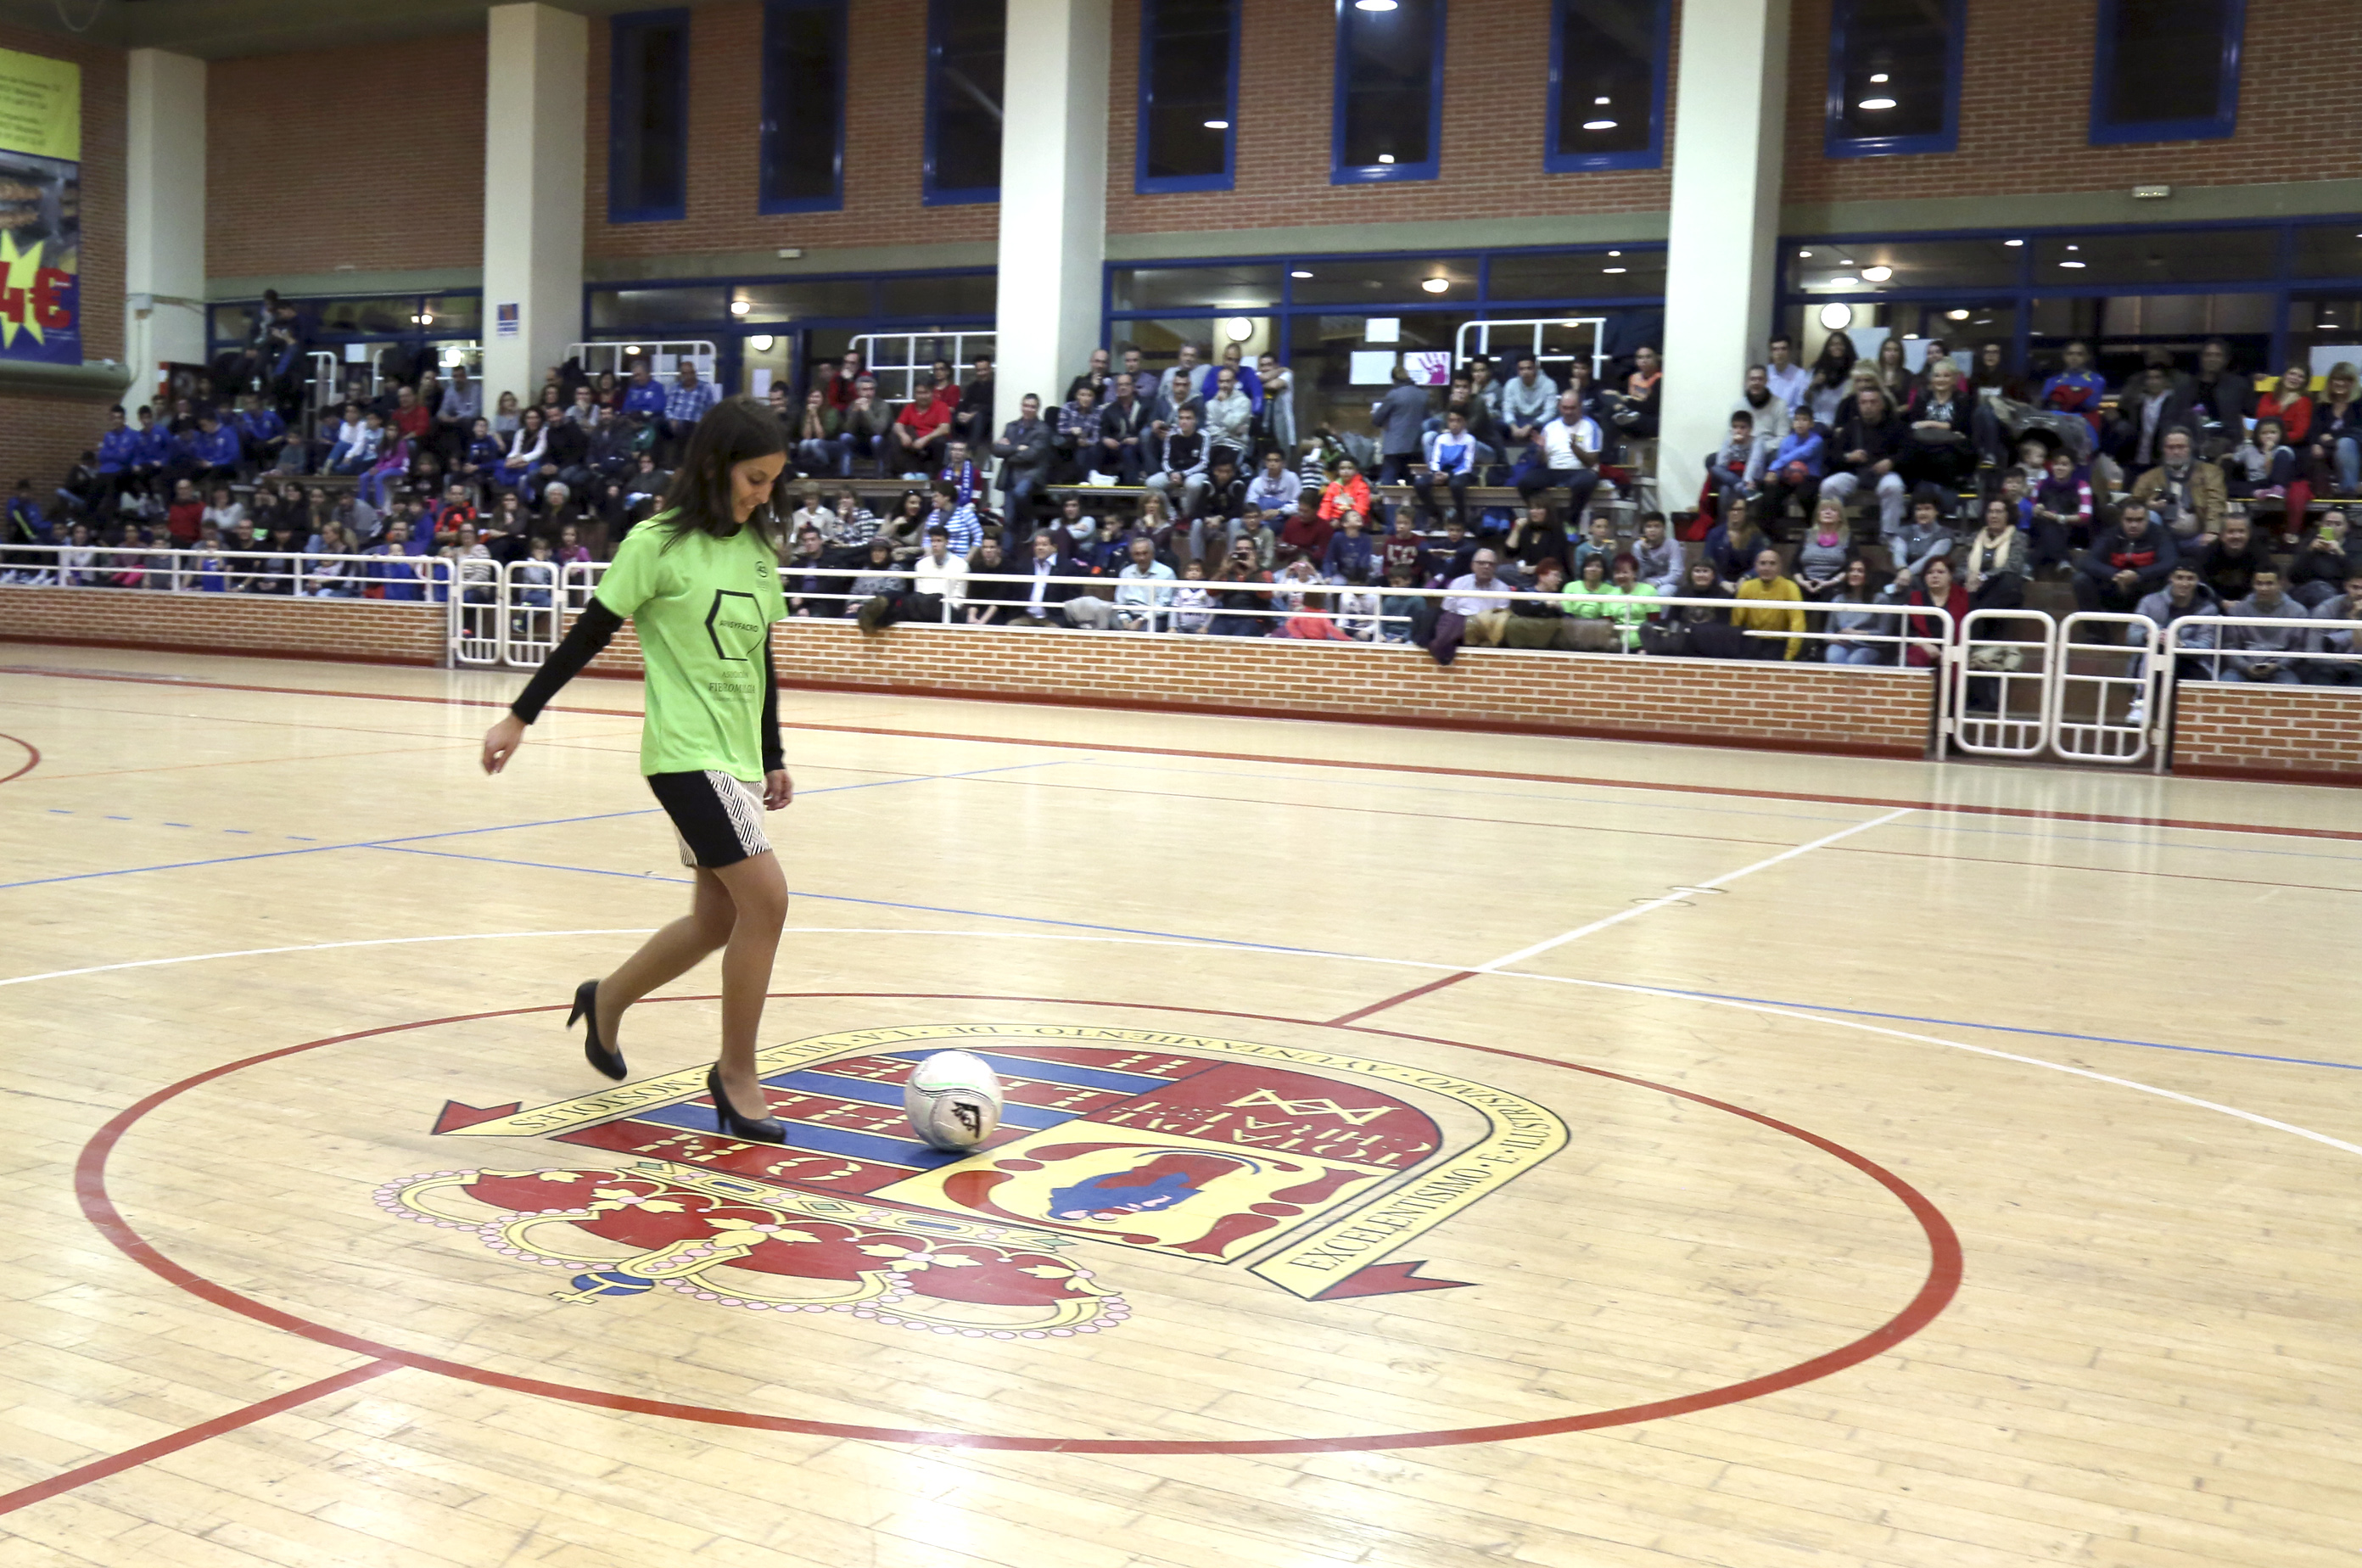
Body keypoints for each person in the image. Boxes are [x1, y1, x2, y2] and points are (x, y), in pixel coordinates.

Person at [479, 399, 794, 1142]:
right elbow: (587, 635)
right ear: (716, 467)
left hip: (738, 761)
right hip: (684, 757)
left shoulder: (757, 551)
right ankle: (735, 1073)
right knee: (768, 903)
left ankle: (607, 999)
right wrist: (519, 715)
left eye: (773, 481)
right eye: (754, 478)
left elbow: (762, 659)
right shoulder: (655, 544)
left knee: (717, 920)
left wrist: (773, 756)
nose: (764, 495)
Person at [1821, 384, 1909, 539]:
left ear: (1882, 404)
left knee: (1894, 487)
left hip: (1885, 474)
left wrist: (1891, 461)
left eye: (1873, 402)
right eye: (1864, 402)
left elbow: (1910, 453)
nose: (1868, 406)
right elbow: (1832, 456)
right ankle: (1834, 535)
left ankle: (1888, 536)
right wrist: (1848, 457)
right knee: (1829, 486)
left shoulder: (1897, 426)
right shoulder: (1850, 427)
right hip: (1855, 473)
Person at [2074, 501, 2177, 616]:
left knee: (2170, 578)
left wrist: (2138, 575)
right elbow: (2088, 561)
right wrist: (2116, 575)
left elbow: (2169, 562)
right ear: (2121, 520)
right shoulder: (2110, 534)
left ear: (2147, 520)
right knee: (2081, 579)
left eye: (2139, 520)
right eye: (2129, 520)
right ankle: (2095, 626)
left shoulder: (2160, 534)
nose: (2133, 525)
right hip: (2113, 587)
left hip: (2146, 588)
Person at [2130, 428, 2226, 544]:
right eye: (2170, 447)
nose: (2176, 452)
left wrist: (2212, 531)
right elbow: (2131, 504)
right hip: (2162, 538)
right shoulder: (2149, 477)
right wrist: (2149, 506)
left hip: (2199, 536)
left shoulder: (2211, 472)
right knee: (2150, 515)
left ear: (2190, 449)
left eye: (2181, 447)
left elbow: (2216, 503)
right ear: (2164, 449)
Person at [1517, 389, 1602, 514]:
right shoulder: (1550, 427)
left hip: (1579, 471)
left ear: (1580, 407)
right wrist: (1542, 449)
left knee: (1586, 481)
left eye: (1572, 408)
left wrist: (1575, 449)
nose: (1568, 412)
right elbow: (1542, 462)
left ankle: (1572, 519)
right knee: (1526, 482)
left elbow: (1593, 462)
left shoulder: (1591, 426)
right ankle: (1547, 515)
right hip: (1553, 471)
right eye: (1565, 408)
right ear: (1559, 407)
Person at [2220, 568, 2309, 683]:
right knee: (2223, 685)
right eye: (2259, 584)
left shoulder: (2298, 611)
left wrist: (2278, 665)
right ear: (2253, 585)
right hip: (2242, 669)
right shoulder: (2237, 610)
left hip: (2281, 670)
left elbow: (2298, 649)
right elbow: (2230, 646)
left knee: (2291, 688)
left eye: (2269, 584)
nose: (2264, 588)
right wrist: (2245, 667)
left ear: (2280, 584)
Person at [1731, 547, 1805, 659]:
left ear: (1780, 567)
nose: (1767, 568)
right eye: (1763, 563)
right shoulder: (1746, 587)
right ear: (1756, 566)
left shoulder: (1790, 587)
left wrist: (1790, 655)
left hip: (1778, 642)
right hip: (1751, 640)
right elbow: (1736, 622)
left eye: (1772, 564)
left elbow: (1797, 623)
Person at [992, 392, 1055, 525]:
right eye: (1026, 405)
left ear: (1037, 409)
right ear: (1021, 406)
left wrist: (1008, 452)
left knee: (1020, 494)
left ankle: (1031, 520)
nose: (1028, 409)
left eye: (1032, 407)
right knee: (1008, 520)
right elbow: (997, 449)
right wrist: (1017, 448)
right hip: (1009, 474)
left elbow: (1031, 455)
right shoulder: (1011, 426)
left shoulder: (1043, 429)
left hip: (1030, 473)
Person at [1962, 497, 2030, 610]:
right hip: (1974, 585)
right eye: (1990, 512)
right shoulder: (1974, 537)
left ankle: (1980, 613)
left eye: (1999, 512)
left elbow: (2013, 566)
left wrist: (1984, 577)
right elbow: (1962, 565)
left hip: (1999, 586)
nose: (1994, 516)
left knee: (2009, 580)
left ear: (2008, 515)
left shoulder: (2019, 538)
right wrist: (1969, 576)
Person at [1902, 557, 1969, 669]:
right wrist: (1924, 644)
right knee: (1914, 657)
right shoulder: (1913, 598)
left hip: (1957, 649)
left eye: (1941, 572)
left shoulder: (1965, 597)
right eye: (1930, 573)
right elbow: (1905, 629)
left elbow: (1974, 630)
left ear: (1950, 575)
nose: (1935, 576)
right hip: (1923, 647)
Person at [1416, 407, 1479, 525]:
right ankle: (1436, 515)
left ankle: (1461, 517)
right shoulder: (1441, 438)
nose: (1454, 424)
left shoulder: (1469, 440)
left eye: (1458, 420)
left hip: (1460, 474)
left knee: (1456, 485)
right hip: (1441, 472)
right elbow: (1435, 459)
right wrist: (1437, 473)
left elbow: (1467, 465)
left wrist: (1449, 475)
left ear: (1464, 422)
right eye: (1451, 420)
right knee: (1420, 484)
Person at [2309, 361, 2361, 499]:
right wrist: (2316, 443)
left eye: (2346, 380)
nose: (2341, 383)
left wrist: (2333, 439)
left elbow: (2357, 430)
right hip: (2328, 451)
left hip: (2356, 449)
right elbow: (2314, 430)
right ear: (2331, 381)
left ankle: (2348, 493)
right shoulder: (2322, 405)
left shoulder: (2359, 403)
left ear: (2353, 383)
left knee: (2345, 443)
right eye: (2337, 379)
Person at [1371, 367, 1431, 486]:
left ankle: (1391, 500)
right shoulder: (1423, 395)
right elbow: (1427, 419)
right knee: (1412, 484)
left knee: (1389, 483)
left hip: (1395, 447)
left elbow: (1377, 419)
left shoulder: (1394, 395)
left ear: (1394, 379)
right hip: (1416, 446)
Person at [1497, 354, 1557, 468]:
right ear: (1518, 370)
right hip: (1518, 420)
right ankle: (1500, 462)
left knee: (1551, 425)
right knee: (1495, 425)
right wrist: (1513, 427)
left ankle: (1531, 458)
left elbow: (1550, 412)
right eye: (1522, 369)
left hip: (1538, 421)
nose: (1526, 372)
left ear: (1536, 368)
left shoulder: (1549, 384)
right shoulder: (1511, 384)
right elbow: (1507, 410)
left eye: (1529, 368)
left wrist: (1530, 426)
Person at [2305, 570, 2362, 685]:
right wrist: (2344, 661)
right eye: (2355, 587)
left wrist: (2355, 620)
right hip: (2327, 667)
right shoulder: (2325, 609)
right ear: (2346, 586)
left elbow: (2359, 650)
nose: (2360, 593)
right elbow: (2312, 653)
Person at [1794, 497, 1852, 599]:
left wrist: (1830, 582)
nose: (1828, 512)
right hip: (1806, 584)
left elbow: (1851, 566)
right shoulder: (1807, 535)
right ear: (1818, 515)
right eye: (1823, 509)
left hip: (1835, 587)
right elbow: (1794, 565)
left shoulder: (1847, 537)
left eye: (1833, 510)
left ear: (1840, 517)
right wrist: (1803, 582)